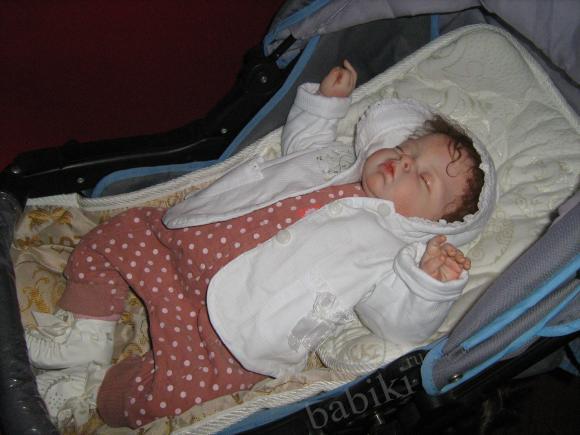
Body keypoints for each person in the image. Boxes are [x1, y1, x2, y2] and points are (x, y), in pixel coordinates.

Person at [25, 60, 496, 428]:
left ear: (431, 225)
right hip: (181, 250)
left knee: (172, 394)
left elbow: (398, 324)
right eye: (408, 151)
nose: (406, 163)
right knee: (121, 233)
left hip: (230, 332)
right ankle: (87, 330)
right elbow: (303, 143)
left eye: (425, 179)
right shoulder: (339, 161)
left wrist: (428, 285)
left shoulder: (391, 253)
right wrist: (326, 104)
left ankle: (92, 393)